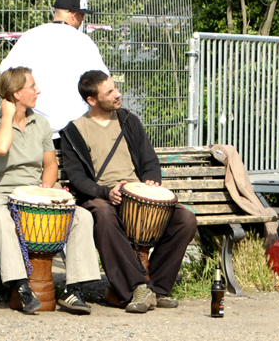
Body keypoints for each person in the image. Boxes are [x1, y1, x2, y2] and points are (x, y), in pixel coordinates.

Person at [59, 70, 197, 314]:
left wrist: (151, 182)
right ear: (92, 100)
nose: (117, 94)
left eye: (115, 88)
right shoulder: (74, 131)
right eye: (109, 92)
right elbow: (78, 178)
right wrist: (105, 192)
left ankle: (158, 288)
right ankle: (136, 287)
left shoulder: (128, 121)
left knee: (185, 219)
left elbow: (149, 161)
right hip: (103, 197)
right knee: (102, 215)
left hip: (138, 194)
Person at [0, 67, 101, 314]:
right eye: (32, 86)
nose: (38, 90)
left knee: (81, 216)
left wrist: (46, 185)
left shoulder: (40, 122)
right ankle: (21, 287)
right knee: (2, 218)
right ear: (15, 93)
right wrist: (7, 117)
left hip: (33, 194)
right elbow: (0, 147)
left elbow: (51, 164)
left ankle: (74, 290)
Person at [0, 0, 109, 140]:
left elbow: (6, 72)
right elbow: (102, 82)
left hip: (33, 125)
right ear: (74, 14)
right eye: (82, 15)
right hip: (74, 129)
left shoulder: (31, 36)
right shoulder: (84, 42)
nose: (82, 20)